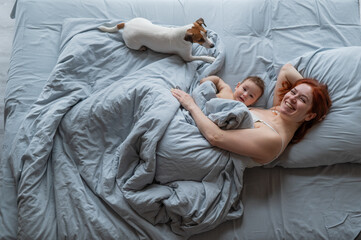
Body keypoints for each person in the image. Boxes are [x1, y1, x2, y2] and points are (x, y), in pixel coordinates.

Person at [171, 63, 332, 165]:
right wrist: (311, 90)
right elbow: (287, 69)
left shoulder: (274, 139)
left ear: (309, 116)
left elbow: (216, 138)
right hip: (202, 122)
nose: (291, 98)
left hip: (201, 145)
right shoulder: (277, 110)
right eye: (293, 92)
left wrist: (191, 105)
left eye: (302, 99)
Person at [200, 75, 265, 106]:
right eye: (244, 89)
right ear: (238, 86)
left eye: (251, 96)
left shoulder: (243, 110)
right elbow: (218, 80)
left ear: (253, 102)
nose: (245, 95)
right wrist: (205, 82)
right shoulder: (227, 90)